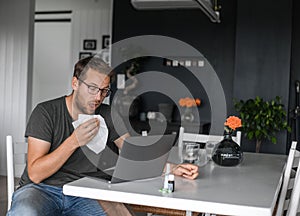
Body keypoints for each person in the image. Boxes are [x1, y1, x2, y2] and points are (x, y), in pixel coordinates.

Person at [7, 56, 199, 216]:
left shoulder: (108, 114)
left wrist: (171, 168)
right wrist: (74, 141)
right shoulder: (46, 112)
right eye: (92, 88)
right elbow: (35, 173)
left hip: (87, 192)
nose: (98, 97)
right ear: (75, 83)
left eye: (104, 91)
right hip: (42, 190)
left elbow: (134, 154)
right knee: (25, 212)